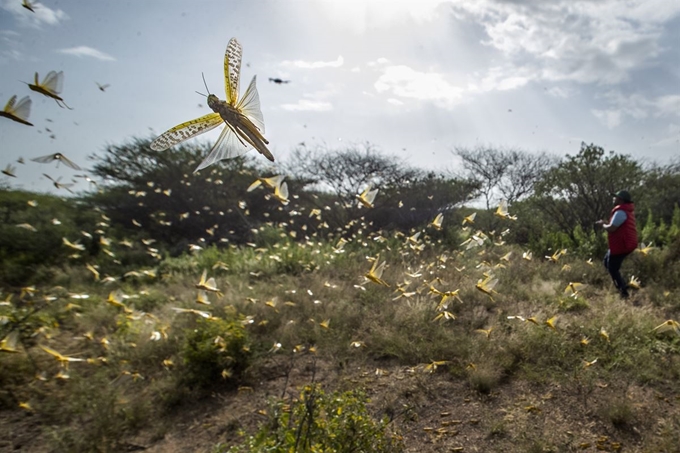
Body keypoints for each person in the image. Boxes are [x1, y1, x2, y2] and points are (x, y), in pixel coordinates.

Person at [595, 190, 638, 299]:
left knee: (612, 268)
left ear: (621, 200)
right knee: (607, 262)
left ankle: (623, 292)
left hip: (622, 245)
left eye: (616, 197)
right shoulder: (625, 211)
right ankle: (623, 285)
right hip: (622, 244)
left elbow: (612, 228)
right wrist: (606, 223)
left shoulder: (620, 212)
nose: (613, 199)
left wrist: (602, 225)